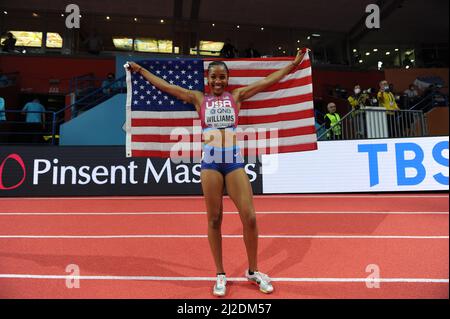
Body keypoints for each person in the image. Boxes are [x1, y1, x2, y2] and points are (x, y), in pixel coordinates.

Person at [127, 49, 308, 297]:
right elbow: (167, 87)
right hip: (210, 165)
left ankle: (253, 271)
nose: (217, 81)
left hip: (233, 163)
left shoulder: (237, 96)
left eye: (222, 77)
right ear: (208, 79)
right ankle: (220, 274)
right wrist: (141, 71)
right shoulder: (198, 99)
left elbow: (269, 81)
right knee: (214, 220)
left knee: (250, 217)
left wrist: (293, 65)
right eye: (213, 77)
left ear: (227, 78)